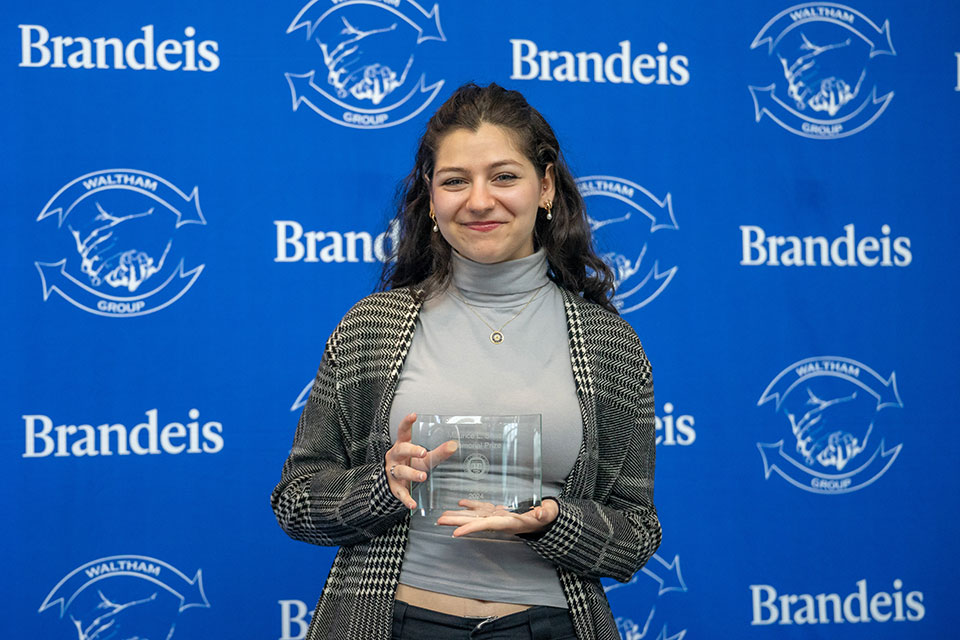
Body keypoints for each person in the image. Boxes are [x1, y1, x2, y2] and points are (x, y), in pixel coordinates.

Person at [272, 82, 661, 640]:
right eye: (455, 181)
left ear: (545, 186)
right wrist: (383, 484)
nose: (479, 200)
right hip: (390, 624)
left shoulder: (612, 346)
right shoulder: (370, 328)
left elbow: (636, 534)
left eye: (504, 176)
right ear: (431, 199)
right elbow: (296, 501)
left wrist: (554, 520)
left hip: (551, 626)